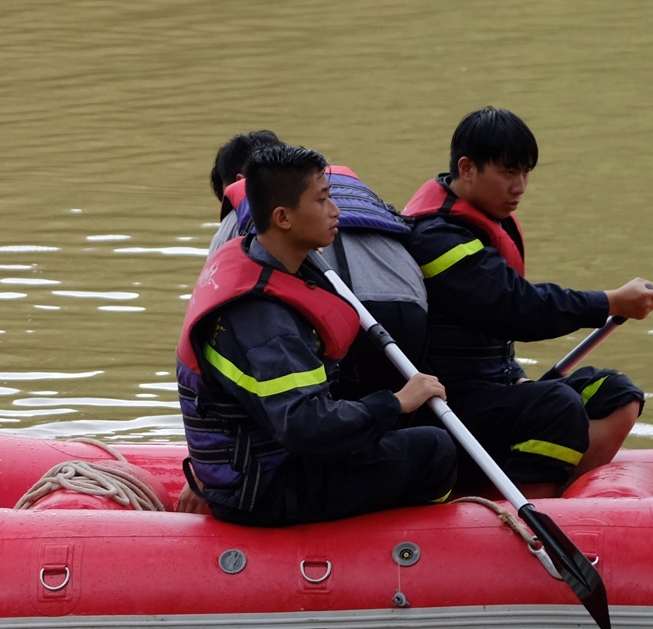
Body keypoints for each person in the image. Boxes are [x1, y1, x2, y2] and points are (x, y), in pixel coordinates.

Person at [177, 144, 458, 525]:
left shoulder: (255, 254)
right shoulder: (264, 321)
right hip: (264, 489)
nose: (336, 211)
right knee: (435, 448)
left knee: (391, 426)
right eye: (322, 199)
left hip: (258, 460)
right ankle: (410, 544)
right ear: (283, 217)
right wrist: (395, 403)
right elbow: (305, 426)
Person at [403, 108, 653, 496]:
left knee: (615, 394)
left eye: (526, 173)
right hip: (447, 406)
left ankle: (562, 503)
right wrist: (610, 302)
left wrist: (516, 374)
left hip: (493, 389)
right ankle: (516, 513)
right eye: (509, 173)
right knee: (557, 406)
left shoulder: (480, 222)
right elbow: (517, 308)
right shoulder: (437, 237)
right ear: (467, 168)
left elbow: (490, 328)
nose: (520, 186)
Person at [205, 135, 429, 380]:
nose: (335, 210)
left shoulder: (252, 205)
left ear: (241, 182)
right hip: (409, 304)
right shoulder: (355, 191)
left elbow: (214, 295)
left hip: (331, 318)